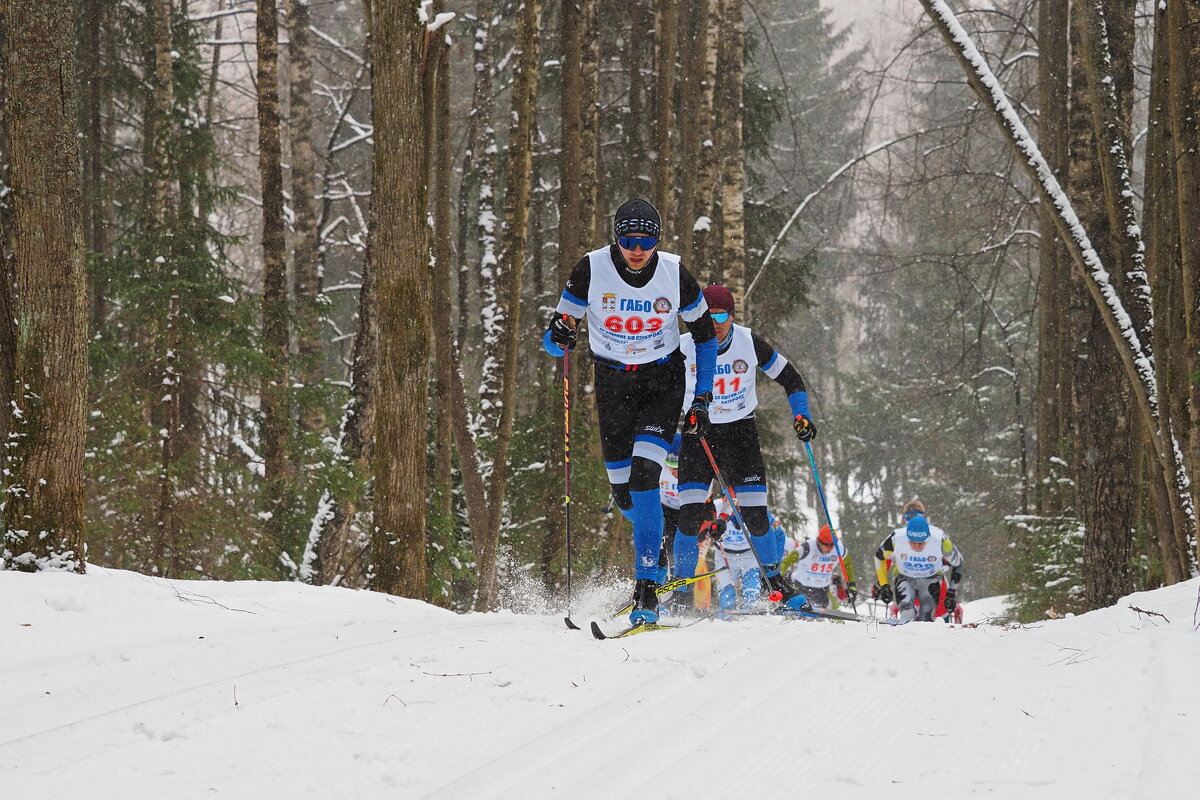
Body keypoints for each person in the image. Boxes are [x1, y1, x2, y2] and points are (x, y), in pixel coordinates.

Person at [542, 198, 717, 626]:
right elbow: (553, 342)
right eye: (628, 239)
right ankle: (653, 545)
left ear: (658, 241)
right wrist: (561, 333)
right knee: (624, 494)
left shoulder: (675, 273)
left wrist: (703, 398)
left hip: (662, 380)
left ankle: (646, 588)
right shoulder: (590, 268)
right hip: (612, 383)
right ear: (615, 238)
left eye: (647, 240)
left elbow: (707, 337)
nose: (637, 249)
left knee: (645, 475)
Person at [670, 284, 817, 608]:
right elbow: (655, 385)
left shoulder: (748, 342)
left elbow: (791, 378)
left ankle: (775, 583)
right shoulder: (681, 347)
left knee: (756, 517)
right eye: (708, 315)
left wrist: (802, 416)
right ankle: (680, 590)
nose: (715, 321)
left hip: (740, 434)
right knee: (690, 517)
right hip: (698, 433)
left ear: (733, 316)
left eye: (721, 315)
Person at [873, 500, 964, 623]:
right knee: (907, 614)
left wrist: (951, 593)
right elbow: (880, 557)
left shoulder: (939, 539)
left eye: (921, 543)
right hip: (904, 577)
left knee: (928, 616)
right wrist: (883, 585)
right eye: (912, 542)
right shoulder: (897, 537)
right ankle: (902, 635)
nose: (916, 547)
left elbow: (958, 563)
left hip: (931, 578)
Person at [779, 524, 857, 612]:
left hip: (823, 589)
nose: (828, 549)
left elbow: (848, 566)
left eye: (831, 546)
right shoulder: (807, 547)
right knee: (793, 610)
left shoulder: (841, 550)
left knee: (836, 612)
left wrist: (851, 585)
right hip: (800, 586)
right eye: (826, 545)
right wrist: (780, 577)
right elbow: (785, 562)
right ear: (819, 541)